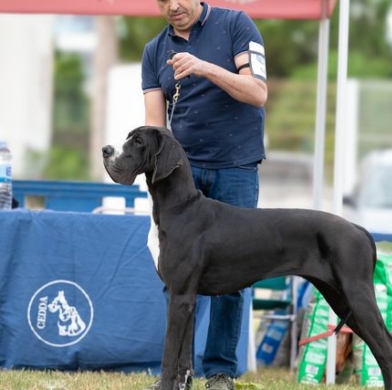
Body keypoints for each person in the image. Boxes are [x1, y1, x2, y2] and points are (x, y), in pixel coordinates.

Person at [141, 1, 267, 389]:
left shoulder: (236, 25)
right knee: (177, 279)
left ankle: (220, 371)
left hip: (236, 168)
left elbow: (258, 93)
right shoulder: (154, 50)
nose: (173, 5)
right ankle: (177, 373)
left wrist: (203, 66)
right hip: (181, 176)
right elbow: (154, 128)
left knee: (233, 279)